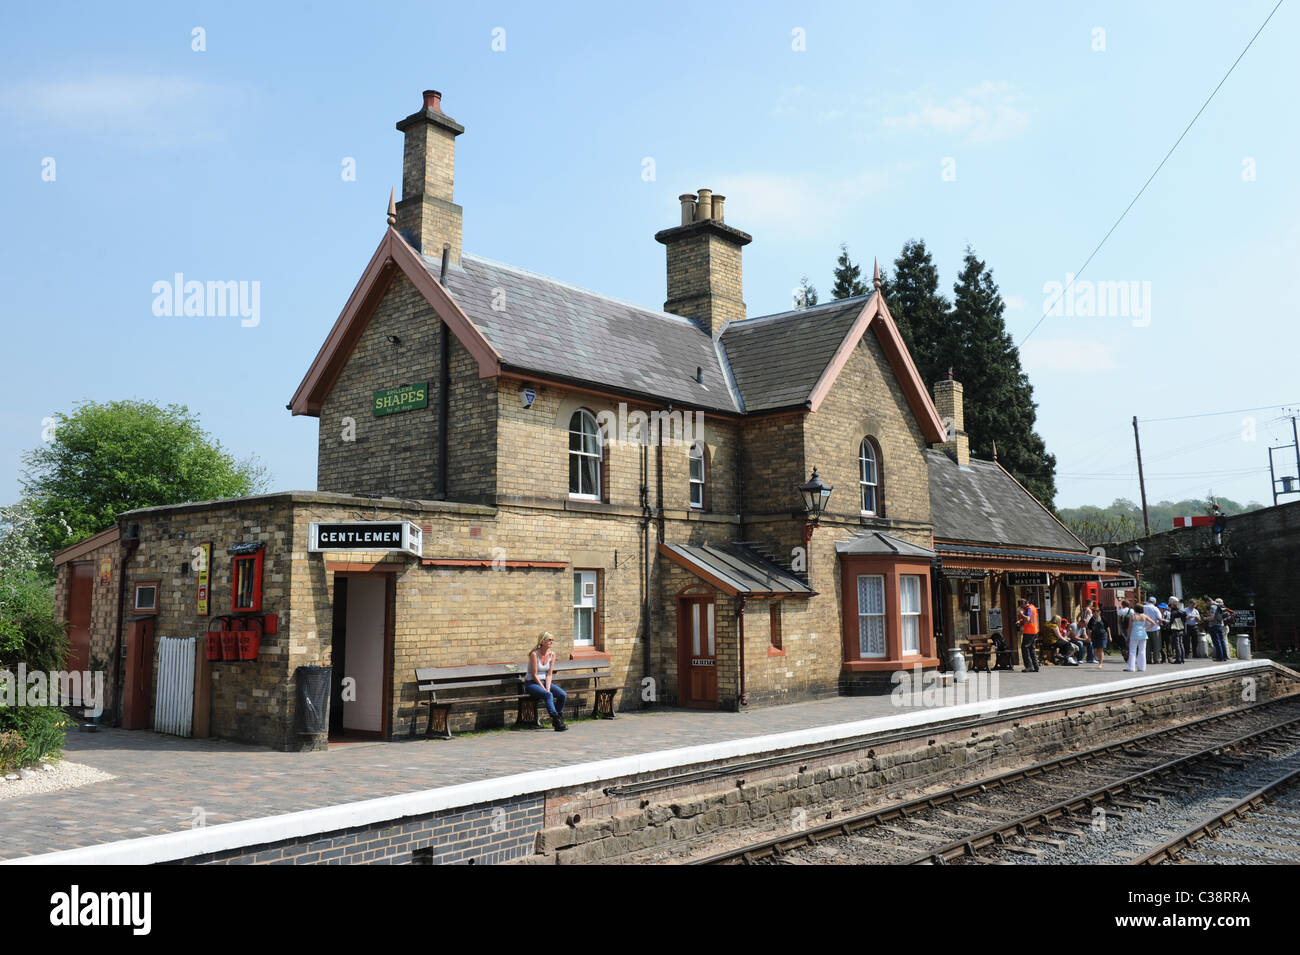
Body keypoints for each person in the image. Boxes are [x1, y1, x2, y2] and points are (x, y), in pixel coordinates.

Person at [526, 632, 568, 731]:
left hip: (545, 681)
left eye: (552, 640)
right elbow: (534, 674)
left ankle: (558, 718)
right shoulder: (534, 654)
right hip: (532, 683)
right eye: (549, 640)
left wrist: (548, 687)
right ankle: (557, 721)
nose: (551, 642)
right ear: (542, 641)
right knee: (548, 695)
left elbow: (549, 674)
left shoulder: (552, 654)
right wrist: (544, 689)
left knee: (563, 694)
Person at [1123, 600, 1159, 672]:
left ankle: (1131, 667)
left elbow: (1130, 627)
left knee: (1132, 651)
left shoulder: (1132, 616)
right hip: (1143, 634)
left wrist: (1128, 636)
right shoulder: (1144, 616)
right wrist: (1146, 628)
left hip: (1134, 634)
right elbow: (1153, 623)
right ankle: (1142, 667)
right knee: (1142, 651)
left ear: (1135, 609)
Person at [1017, 597, 1040, 672]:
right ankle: (1036, 666)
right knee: (1031, 649)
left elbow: (1028, 619)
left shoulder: (1029, 609)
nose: (1021, 608)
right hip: (1035, 630)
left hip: (1029, 631)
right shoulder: (1033, 607)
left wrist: (1021, 614)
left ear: (1024, 604)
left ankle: (1028, 666)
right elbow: (1031, 618)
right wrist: (1020, 621)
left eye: (1021, 606)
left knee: (1024, 648)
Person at [1143, 596, 1163, 665]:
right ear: (1154, 602)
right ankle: (1156, 659)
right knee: (1156, 645)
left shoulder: (1143, 607)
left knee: (1147, 645)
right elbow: (1159, 618)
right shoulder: (1155, 608)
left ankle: (1147, 659)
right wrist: (1161, 623)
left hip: (1145, 628)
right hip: (1155, 628)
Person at [1167, 597, 1186, 664]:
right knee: (1181, 644)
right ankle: (1182, 658)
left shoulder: (1173, 612)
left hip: (1175, 629)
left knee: (1177, 644)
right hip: (1181, 628)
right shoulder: (1180, 611)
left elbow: (1172, 621)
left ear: (1172, 604)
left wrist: (1169, 625)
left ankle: (1178, 659)